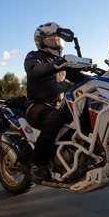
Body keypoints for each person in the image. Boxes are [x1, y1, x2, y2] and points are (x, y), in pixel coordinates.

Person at [24, 22, 87, 181]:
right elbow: (34, 70)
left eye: (58, 40)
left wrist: (104, 78)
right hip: (36, 105)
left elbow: (80, 78)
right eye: (51, 40)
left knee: (82, 112)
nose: (56, 43)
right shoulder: (34, 56)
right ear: (41, 41)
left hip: (58, 105)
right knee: (55, 118)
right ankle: (38, 164)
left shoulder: (61, 63)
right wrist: (56, 64)